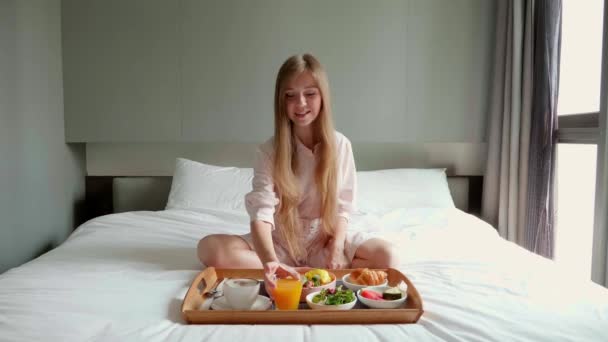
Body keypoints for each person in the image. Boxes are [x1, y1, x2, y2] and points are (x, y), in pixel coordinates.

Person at [197, 53, 398, 291]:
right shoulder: (269, 150)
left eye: (310, 93)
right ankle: (284, 268)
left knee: (389, 257)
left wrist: (336, 248)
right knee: (209, 249)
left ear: (323, 96)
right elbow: (261, 213)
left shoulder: (340, 145)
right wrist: (271, 261)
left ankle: (321, 268)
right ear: (281, 101)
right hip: (281, 242)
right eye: (290, 95)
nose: (300, 104)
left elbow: (344, 206)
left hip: (326, 239)